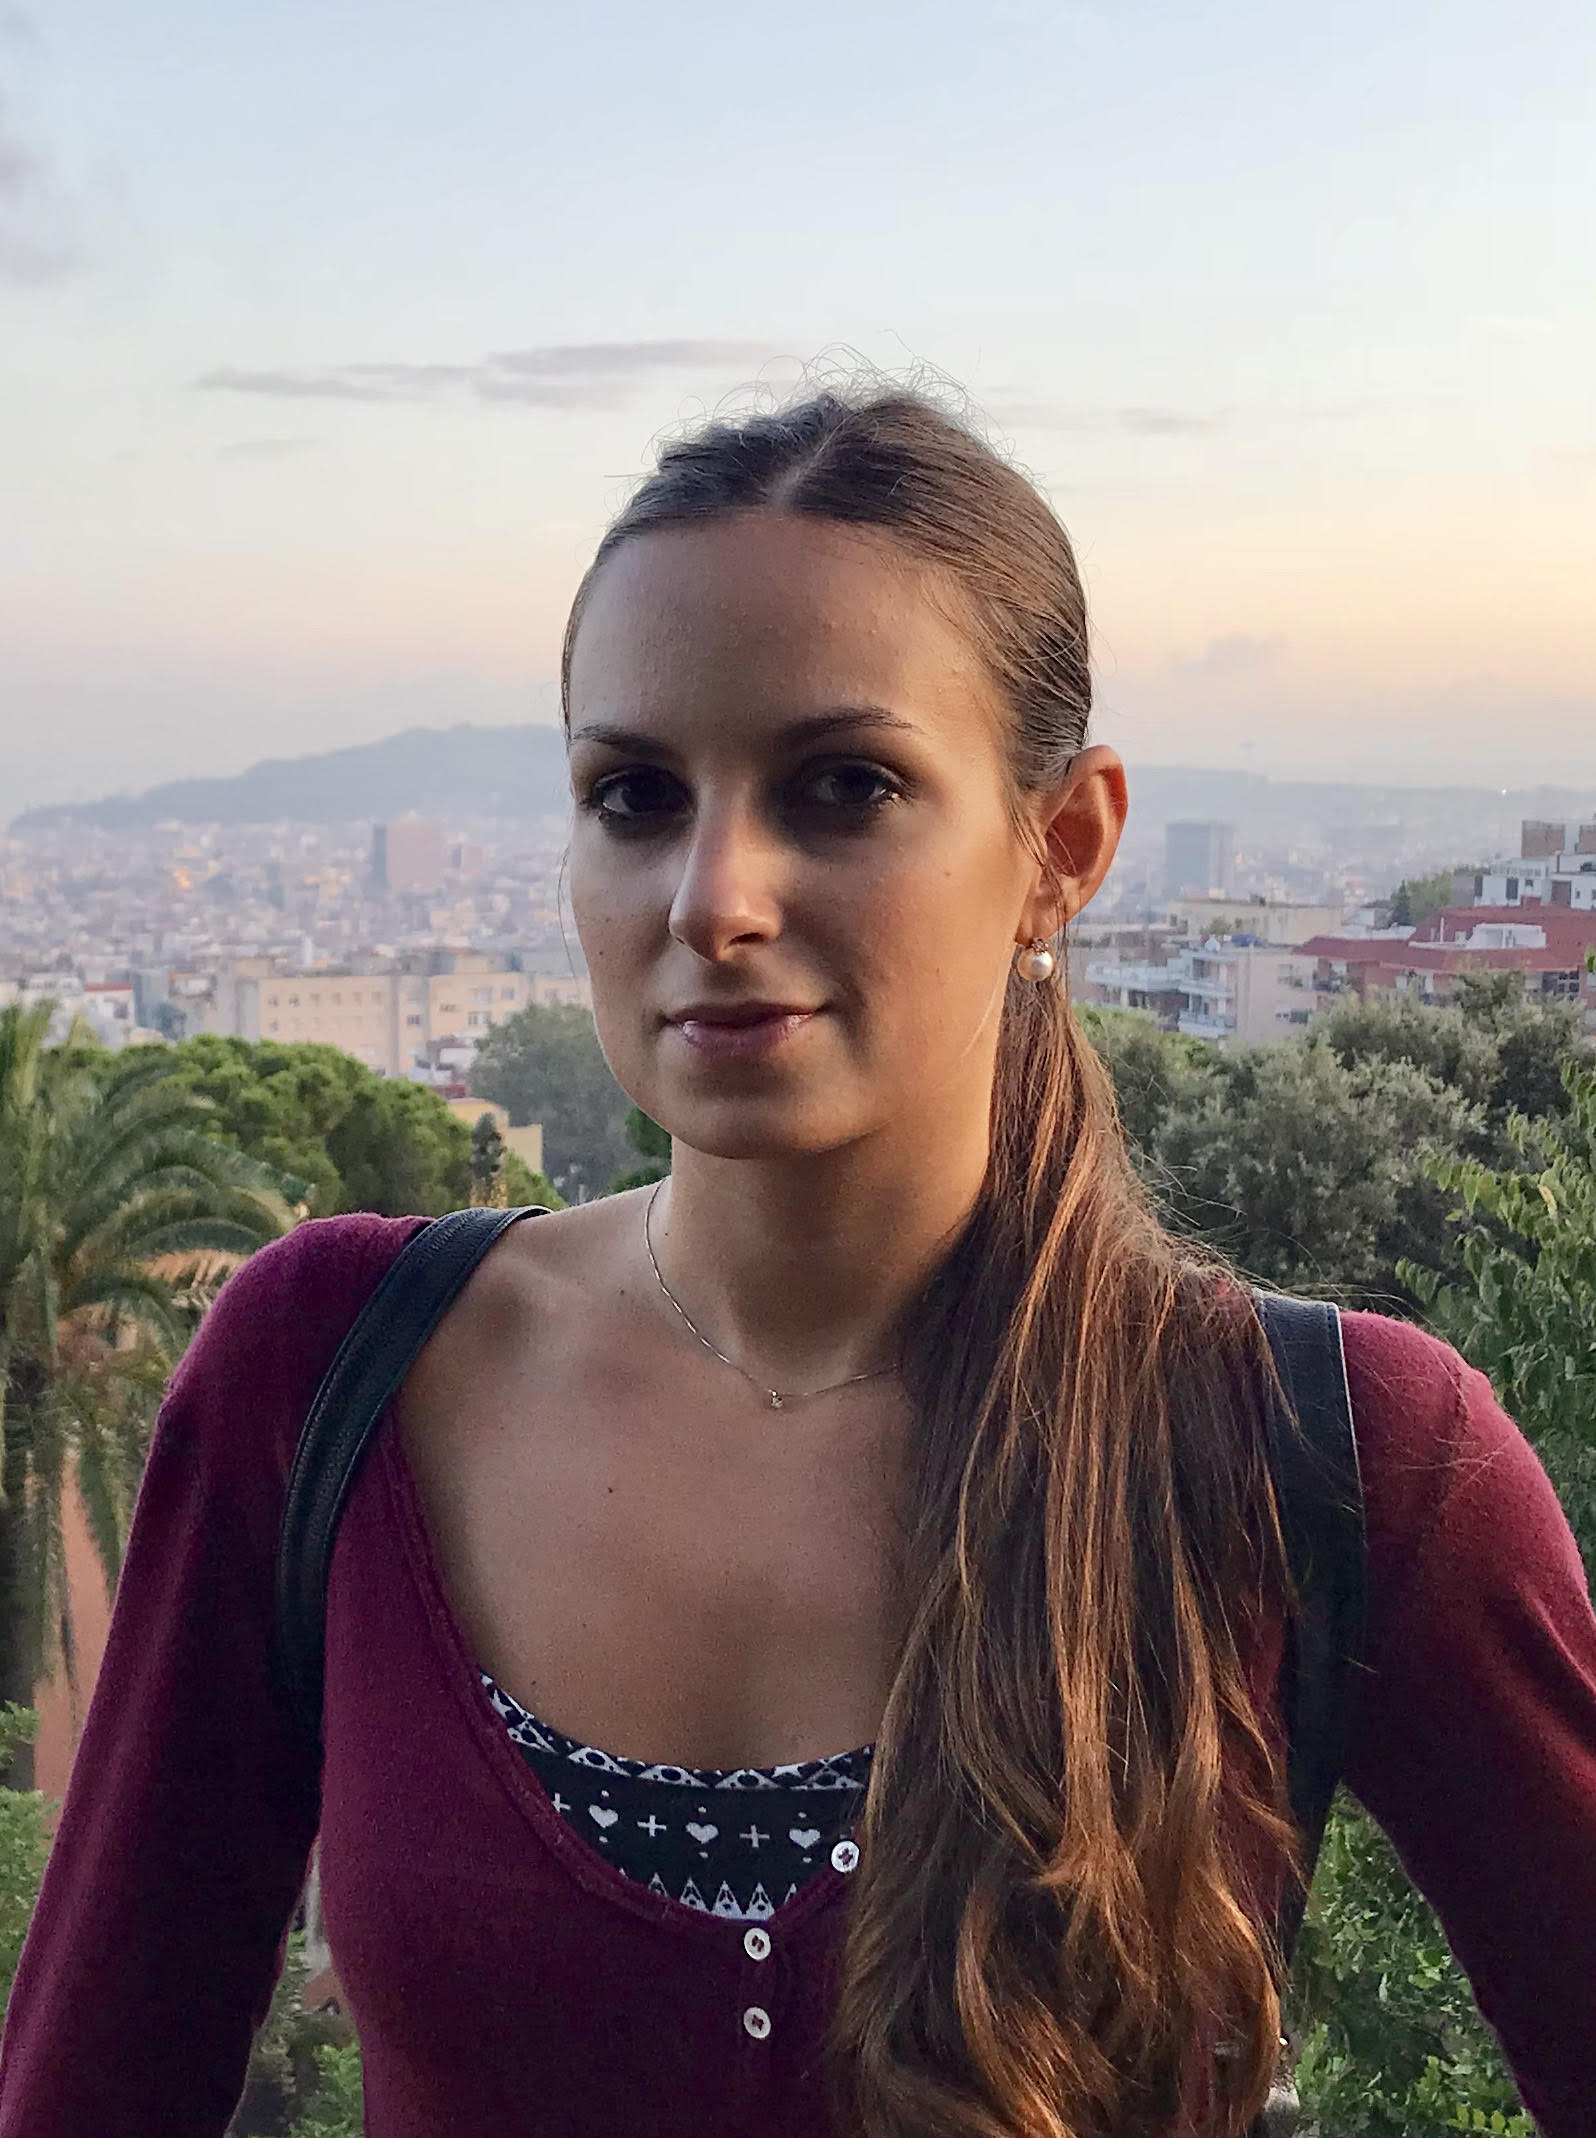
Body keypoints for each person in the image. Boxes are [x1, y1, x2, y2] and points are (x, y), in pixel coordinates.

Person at [3, 384, 1594, 2138]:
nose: (714, 897)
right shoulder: (334, 1375)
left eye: (843, 787)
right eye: (634, 794)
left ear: (1062, 847)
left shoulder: (1338, 1457)